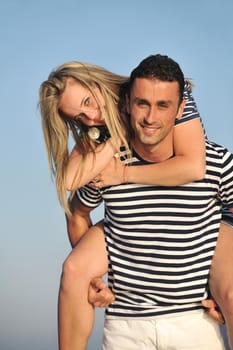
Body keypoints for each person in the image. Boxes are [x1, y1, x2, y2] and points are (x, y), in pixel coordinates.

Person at [39, 57, 233, 349]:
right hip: (127, 324)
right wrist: (93, 281)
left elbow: (194, 167)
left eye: (90, 102)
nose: (91, 117)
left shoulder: (165, 100)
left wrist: (125, 174)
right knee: (74, 270)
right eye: (79, 117)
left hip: (195, 312)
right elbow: (72, 190)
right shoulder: (104, 150)